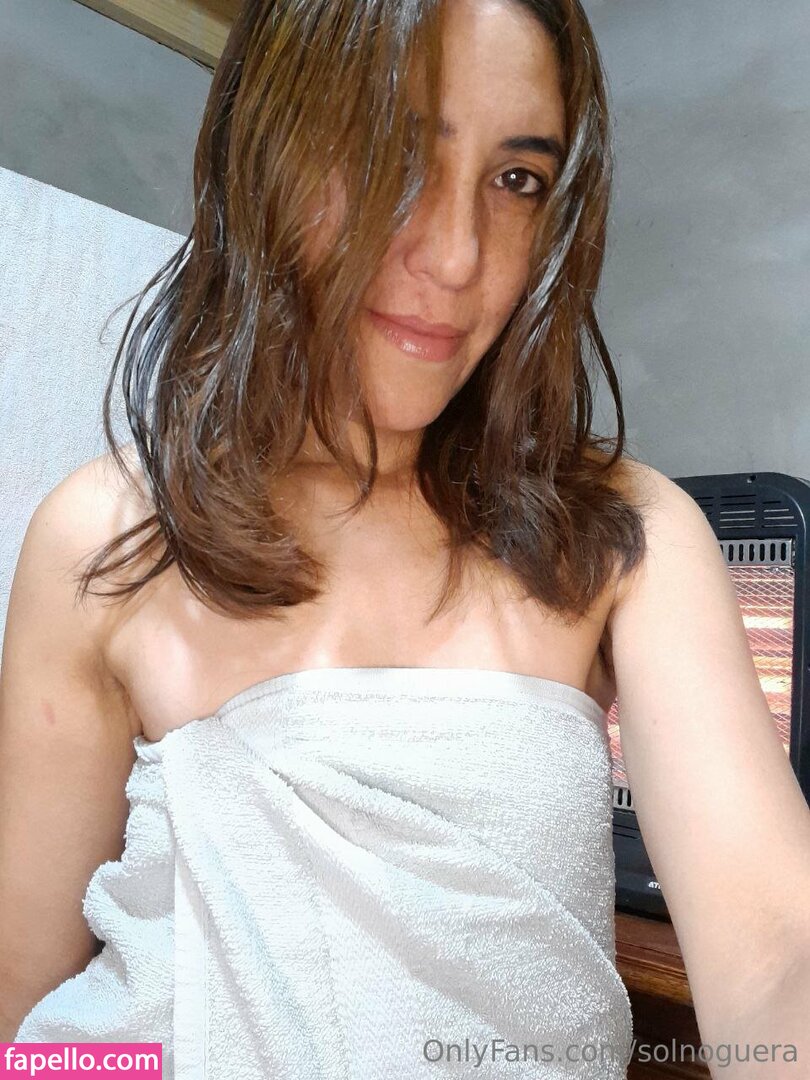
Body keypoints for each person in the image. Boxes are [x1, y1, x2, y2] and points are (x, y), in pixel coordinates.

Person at [2, 0, 810, 1076]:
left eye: (516, 178)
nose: (459, 256)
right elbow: (23, 1007)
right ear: (269, 151)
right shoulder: (108, 538)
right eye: (395, 154)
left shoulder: (626, 538)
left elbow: (776, 950)